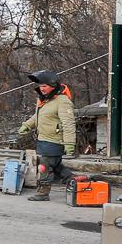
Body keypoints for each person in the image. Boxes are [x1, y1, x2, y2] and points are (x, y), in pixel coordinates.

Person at [17, 70, 76, 201]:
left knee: (44, 166)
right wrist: (27, 125)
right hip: (43, 139)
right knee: (55, 166)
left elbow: (69, 123)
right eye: (40, 86)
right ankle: (75, 182)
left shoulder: (62, 101)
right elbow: (39, 116)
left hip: (55, 140)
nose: (41, 89)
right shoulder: (44, 100)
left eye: (44, 86)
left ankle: (43, 193)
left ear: (53, 85)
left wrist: (70, 143)